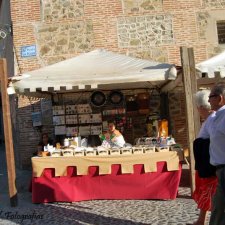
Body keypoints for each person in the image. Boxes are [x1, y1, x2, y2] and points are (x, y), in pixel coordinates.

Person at [192, 90, 217, 225]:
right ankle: (201, 220)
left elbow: (215, 140)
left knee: (210, 193)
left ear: (200, 107)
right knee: (206, 192)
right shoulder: (209, 120)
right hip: (205, 164)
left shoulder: (212, 119)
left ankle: (211, 220)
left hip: (210, 164)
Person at [206, 83, 225, 225]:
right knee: (218, 208)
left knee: (219, 208)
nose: (208, 100)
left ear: (219, 98)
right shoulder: (217, 117)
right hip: (220, 170)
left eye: (210, 97)